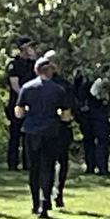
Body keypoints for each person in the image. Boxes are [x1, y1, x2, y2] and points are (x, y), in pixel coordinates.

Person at [15, 55, 72, 218]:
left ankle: (34, 203)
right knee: (48, 168)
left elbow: (18, 112)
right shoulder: (58, 90)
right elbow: (66, 116)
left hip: (31, 132)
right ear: (50, 71)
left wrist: (28, 111)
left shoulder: (27, 88)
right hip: (51, 132)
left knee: (34, 169)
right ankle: (45, 203)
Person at [43, 49, 74, 209]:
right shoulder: (63, 85)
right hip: (57, 127)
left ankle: (52, 194)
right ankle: (53, 194)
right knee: (58, 162)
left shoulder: (39, 84)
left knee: (54, 162)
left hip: (52, 128)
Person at [5, 36, 37, 170]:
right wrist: (24, 98)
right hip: (18, 103)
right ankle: (12, 163)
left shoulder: (33, 65)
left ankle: (27, 163)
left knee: (28, 135)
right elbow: (15, 85)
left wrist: (34, 59)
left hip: (32, 104)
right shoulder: (14, 64)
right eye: (29, 47)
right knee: (15, 134)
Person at [73, 67, 110, 176]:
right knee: (100, 140)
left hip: (86, 112)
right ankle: (101, 167)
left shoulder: (81, 74)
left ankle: (92, 166)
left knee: (90, 140)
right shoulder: (99, 76)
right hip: (96, 112)